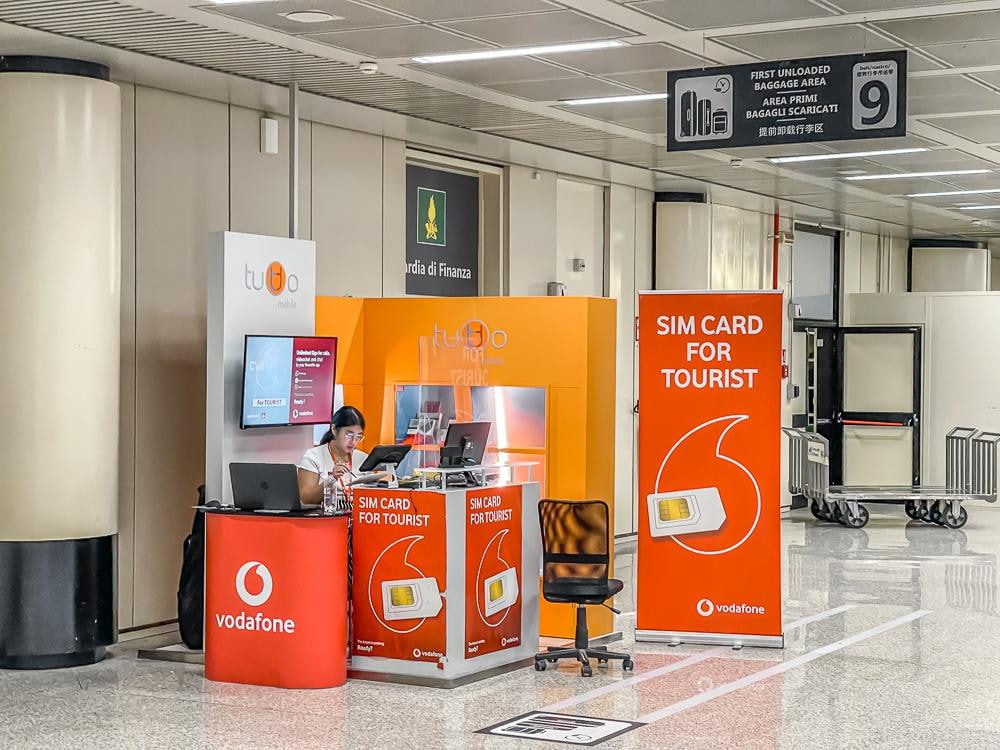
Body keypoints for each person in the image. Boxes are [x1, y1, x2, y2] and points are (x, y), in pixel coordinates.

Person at [297, 406, 369, 505]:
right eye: (349, 435)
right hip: (326, 518)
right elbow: (306, 498)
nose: (353, 442)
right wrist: (330, 481)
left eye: (358, 437)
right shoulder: (313, 457)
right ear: (334, 430)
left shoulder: (364, 459)